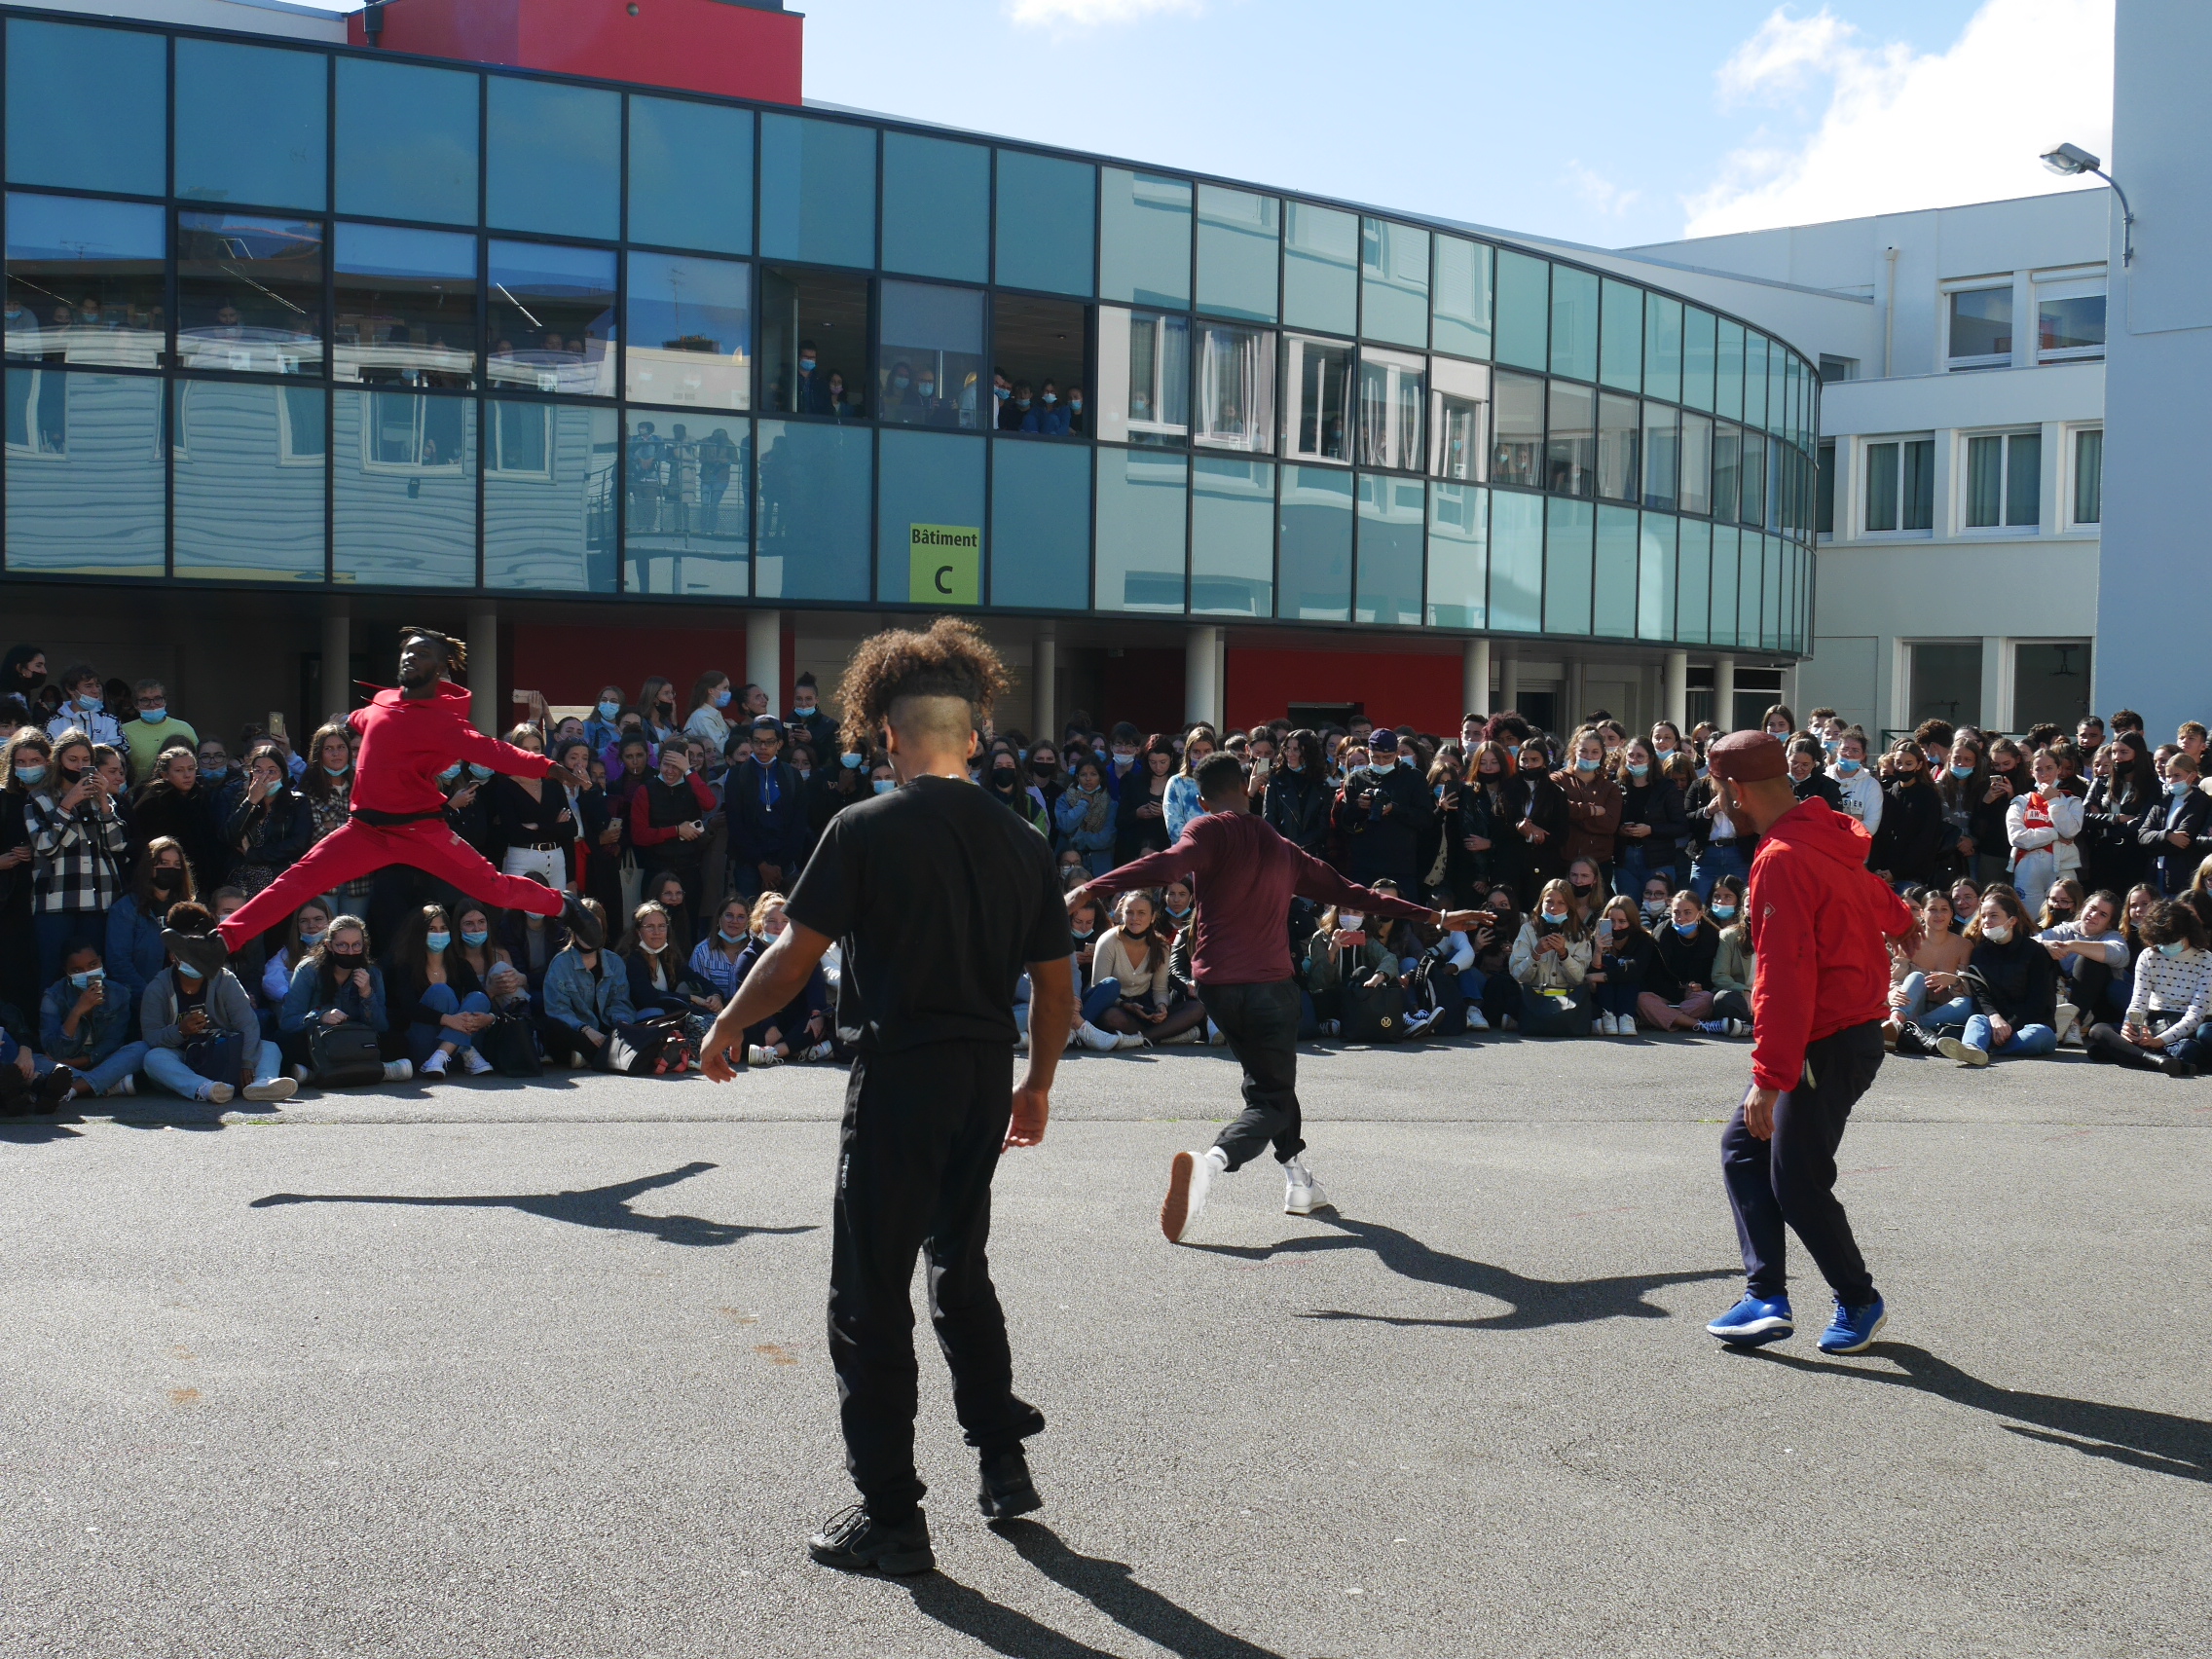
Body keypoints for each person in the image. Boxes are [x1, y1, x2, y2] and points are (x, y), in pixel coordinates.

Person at [695, 617, 1074, 1577]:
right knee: (960, 1267)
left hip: (902, 1074)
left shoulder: (863, 827)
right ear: (974, 737)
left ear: (889, 735)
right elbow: (1056, 990)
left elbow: (794, 956)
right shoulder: (1023, 840)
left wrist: (726, 1023)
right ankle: (1001, 1463)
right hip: (983, 1075)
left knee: (868, 1295)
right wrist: (1036, 1085)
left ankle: (892, 1515)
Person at [1074, 748, 1472, 1241]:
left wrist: (1090, 888)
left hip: (1216, 989)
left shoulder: (1204, 830)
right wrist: (1436, 916)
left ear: (1202, 800)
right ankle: (1211, 1163)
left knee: (1270, 1082)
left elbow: (1164, 865)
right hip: (1268, 988)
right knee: (1271, 1097)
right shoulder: (1283, 847)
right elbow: (1353, 893)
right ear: (1247, 788)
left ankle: (1298, 1179)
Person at [167, 630, 599, 989]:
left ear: (441, 667)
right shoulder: (379, 706)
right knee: (294, 883)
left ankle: (564, 906)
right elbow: (361, 722)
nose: (410, 656)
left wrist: (550, 768)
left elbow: (496, 752)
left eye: (422, 653)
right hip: (365, 832)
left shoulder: (445, 722)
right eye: (407, 650)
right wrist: (342, 722)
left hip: (421, 831)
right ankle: (218, 945)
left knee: (494, 890)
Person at [1701, 730, 1915, 1357]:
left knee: (1795, 1181)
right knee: (1745, 1151)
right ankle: (1766, 1296)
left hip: (1828, 1039)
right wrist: (1902, 922)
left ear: (1735, 790)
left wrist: (1769, 1078)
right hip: (1839, 1034)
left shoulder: (1780, 856)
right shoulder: (1818, 832)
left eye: (1717, 791)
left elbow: (1785, 975)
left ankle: (1859, 1300)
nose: (1717, 803)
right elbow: (1865, 886)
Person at [137, 901, 296, 1105]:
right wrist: (180, 1031)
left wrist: (246, 1062)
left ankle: (262, 1083)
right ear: (173, 956)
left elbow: (247, 1024)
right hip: (183, 1058)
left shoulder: (225, 979)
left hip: (224, 1053)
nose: (195, 958)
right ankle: (204, 1088)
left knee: (269, 1047)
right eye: (188, 952)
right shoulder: (158, 987)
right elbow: (151, 1036)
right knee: (153, 1058)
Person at [26, 728, 131, 986]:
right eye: (72, 759)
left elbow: (118, 844)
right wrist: (67, 804)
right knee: (53, 972)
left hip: (99, 899)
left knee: (95, 974)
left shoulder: (102, 798)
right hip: (56, 900)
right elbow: (44, 846)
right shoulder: (38, 798)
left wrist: (104, 802)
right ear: (58, 761)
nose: (79, 766)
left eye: (85, 760)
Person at [277, 913, 410, 1086]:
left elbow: (381, 1026)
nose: (350, 952)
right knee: (284, 1042)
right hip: (321, 1042)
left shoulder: (372, 973)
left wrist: (367, 994)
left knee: (397, 1042)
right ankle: (377, 1070)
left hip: (357, 1041)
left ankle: (317, 1073)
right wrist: (321, 1016)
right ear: (329, 945)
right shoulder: (308, 970)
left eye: (356, 945)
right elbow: (288, 1022)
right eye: (342, 946)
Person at [2083, 900, 2211, 1076]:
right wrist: (2133, 1026)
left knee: (2189, 1051)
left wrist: (2160, 1040)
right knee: (2098, 1030)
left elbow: (2195, 1015)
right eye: (2161, 942)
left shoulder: (2206, 961)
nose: (2166, 947)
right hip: (2154, 1020)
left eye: (2172, 941)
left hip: (2185, 1027)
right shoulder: (2148, 956)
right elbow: (2139, 1002)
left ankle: (2127, 1053)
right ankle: (2157, 1061)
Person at [1934, 888, 2059, 1067]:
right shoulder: (1979, 953)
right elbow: (1980, 994)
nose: (1987, 921)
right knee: (1976, 1020)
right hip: (1993, 1022)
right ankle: (1972, 1048)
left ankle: (1985, 1048)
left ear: (2012, 921)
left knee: (2040, 1035)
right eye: (1983, 916)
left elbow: (2039, 1001)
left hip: (2029, 1025)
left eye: (1993, 916)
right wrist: (1994, 1018)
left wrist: (2008, 1026)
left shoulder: (2035, 952)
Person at [386, 903, 498, 1078]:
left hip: (460, 1058)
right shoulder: (405, 967)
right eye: (432, 929)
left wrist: (489, 1018)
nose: (439, 934)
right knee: (440, 992)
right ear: (420, 933)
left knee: (478, 997)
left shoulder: (460, 966)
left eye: (443, 928)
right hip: (425, 1048)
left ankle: (443, 1054)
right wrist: (447, 1019)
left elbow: (485, 1002)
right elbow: (408, 1008)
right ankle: (446, 1053)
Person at [732, 891, 833, 1065]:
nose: (779, 927)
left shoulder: (804, 953)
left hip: (793, 1018)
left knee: (819, 1019)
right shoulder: (748, 957)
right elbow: (746, 1000)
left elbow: (816, 992)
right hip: (760, 1020)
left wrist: (816, 1014)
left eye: (785, 921)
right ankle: (794, 1048)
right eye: (772, 921)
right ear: (760, 924)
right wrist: (768, 1026)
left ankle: (775, 1052)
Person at [40, 943, 149, 1102]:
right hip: (66, 1066)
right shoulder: (53, 997)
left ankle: (72, 1089)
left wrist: (83, 1061)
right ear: (67, 972)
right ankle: (107, 1085)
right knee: (35, 1061)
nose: (87, 973)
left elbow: (113, 1042)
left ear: (100, 961)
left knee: (142, 1049)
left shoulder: (118, 993)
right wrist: (77, 1011)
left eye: (92, 965)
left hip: (103, 1062)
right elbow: (53, 1051)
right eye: (77, 970)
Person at [726, 716, 809, 900]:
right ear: (750, 742)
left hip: (784, 866)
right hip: (748, 866)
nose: (763, 747)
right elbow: (735, 824)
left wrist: (778, 866)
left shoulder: (792, 776)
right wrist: (761, 865)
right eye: (757, 742)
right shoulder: (737, 776)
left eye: (769, 742)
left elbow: (799, 824)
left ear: (779, 744)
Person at [2005, 746, 2085, 915]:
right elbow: (2017, 838)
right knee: (2030, 919)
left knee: (2065, 918)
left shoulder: (2072, 801)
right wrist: (2054, 834)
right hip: (2027, 869)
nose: (2044, 774)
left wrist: (2054, 801)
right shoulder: (2020, 802)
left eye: (2049, 768)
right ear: (2031, 772)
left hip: (2062, 868)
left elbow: (2070, 832)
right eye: (2038, 769)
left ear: (2059, 769)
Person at [1642, 887, 1720, 1032]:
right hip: (1667, 995)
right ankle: (1698, 1024)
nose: (1681, 918)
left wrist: (1700, 986)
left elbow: (1715, 975)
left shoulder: (1712, 937)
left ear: (1700, 914)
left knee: (1708, 999)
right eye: (1676, 912)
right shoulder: (1660, 934)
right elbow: (1653, 976)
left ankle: (1663, 1018)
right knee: (1642, 999)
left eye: (1687, 912)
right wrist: (1679, 993)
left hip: (1695, 997)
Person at [2139, 749, 2212, 896]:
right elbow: (2142, 835)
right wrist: (2167, 836)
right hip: (2155, 870)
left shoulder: (2200, 801)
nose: (2172, 780)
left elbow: (2184, 839)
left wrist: (2152, 846)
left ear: (2192, 776)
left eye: (2177, 775)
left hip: (2180, 873)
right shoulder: (2163, 801)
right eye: (2168, 776)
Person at [1588, 893, 1654, 1036]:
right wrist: (1598, 951)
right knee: (1608, 960)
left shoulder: (1643, 939)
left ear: (1631, 921)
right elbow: (1591, 978)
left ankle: (1626, 1017)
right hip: (1603, 994)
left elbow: (1635, 970)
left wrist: (1599, 977)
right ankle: (1608, 1015)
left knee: (1626, 964)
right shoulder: (1596, 938)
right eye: (1611, 921)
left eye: (1622, 921)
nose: (1616, 927)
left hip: (1633, 988)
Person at [121, 679, 197, 784]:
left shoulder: (184, 728)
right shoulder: (124, 731)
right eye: (145, 700)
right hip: (140, 791)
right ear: (136, 705)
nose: (152, 704)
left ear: (165, 701)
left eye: (157, 699)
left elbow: (198, 761)